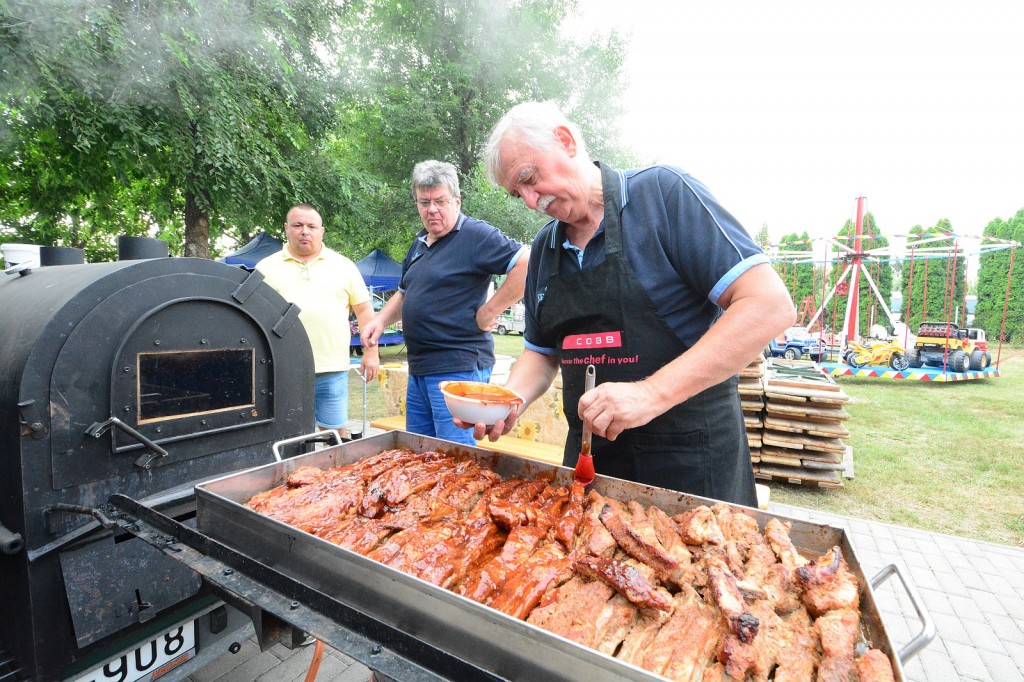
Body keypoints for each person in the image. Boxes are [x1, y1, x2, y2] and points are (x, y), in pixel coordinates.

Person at [469, 101, 795, 507]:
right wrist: (509, 400)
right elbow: (541, 353)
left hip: (691, 466)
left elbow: (768, 305)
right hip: (592, 467)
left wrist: (651, 393)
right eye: (517, 193)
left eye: (529, 178)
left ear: (566, 141)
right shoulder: (544, 248)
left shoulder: (664, 195)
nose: (531, 200)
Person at [360, 160, 529, 446]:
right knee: (420, 452)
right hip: (419, 368)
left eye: (440, 201)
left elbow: (527, 264)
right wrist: (379, 321)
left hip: (458, 368)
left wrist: (490, 310)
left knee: (455, 458)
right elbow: (405, 292)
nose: (432, 209)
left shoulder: (476, 235)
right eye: (424, 202)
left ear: (457, 201)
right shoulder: (418, 244)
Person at [256, 203, 379, 438]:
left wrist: (371, 352)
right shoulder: (265, 268)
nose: (305, 231)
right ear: (286, 228)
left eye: (311, 226)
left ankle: (337, 463)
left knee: (335, 433)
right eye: (298, 225)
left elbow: (365, 312)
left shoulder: (344, 266)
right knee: (285, 434)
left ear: (322, 231)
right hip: (283, 368)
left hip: (332, 368)